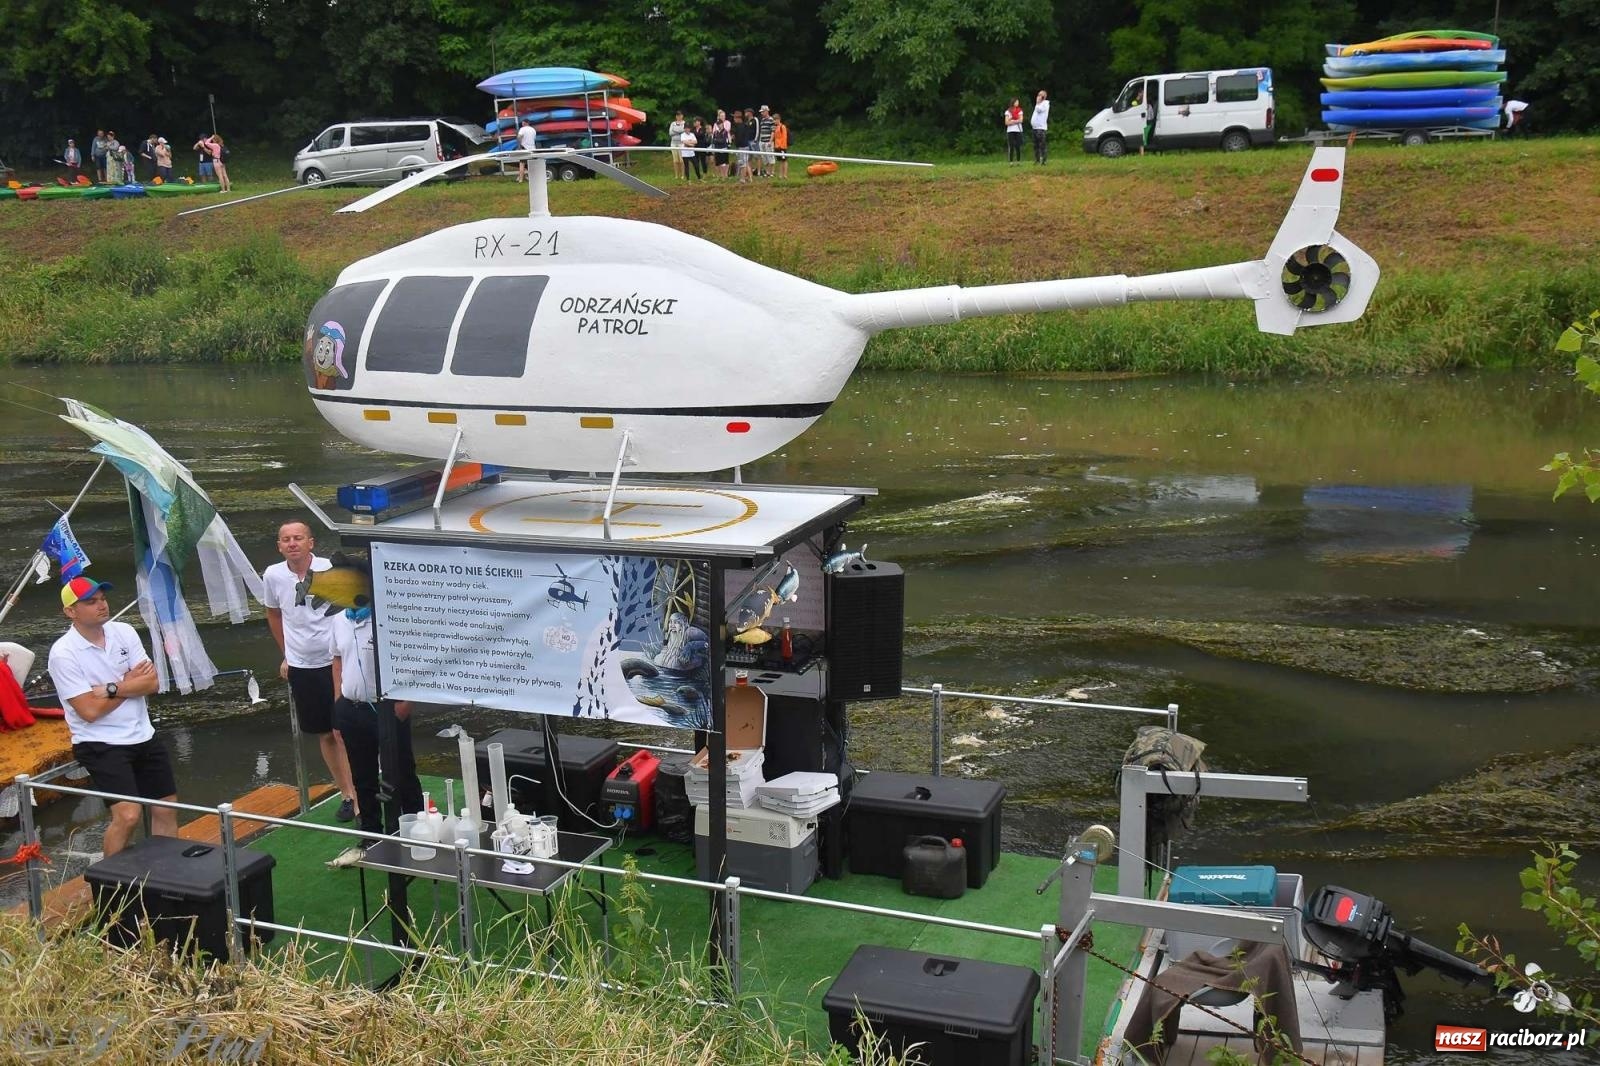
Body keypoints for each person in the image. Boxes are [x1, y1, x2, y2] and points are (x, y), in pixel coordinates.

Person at [47, 576, 175, 857]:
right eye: (90, 602)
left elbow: (152, 684)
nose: (101, 605)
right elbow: (89, 712)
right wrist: (130, 684)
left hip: (143, 734)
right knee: (128, 816)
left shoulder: (124, 632)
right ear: (71, 612)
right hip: (100, 742)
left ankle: (166, 880)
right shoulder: (63, 653)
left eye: (102, 599)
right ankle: (110, 892)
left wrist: (111, 688)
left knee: (166, 808)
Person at [262, 521, 358, 822]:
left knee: (345, 730)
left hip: (337, 661)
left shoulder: (331, 569)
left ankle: (362, 792)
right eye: (286, 539)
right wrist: (286, 655)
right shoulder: (273, 575)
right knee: (324, 734)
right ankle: (346, 793)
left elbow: (349, 610)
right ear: (280, 546)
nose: (292, 544)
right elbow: (273, 613)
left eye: (298, 538)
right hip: (303, 665)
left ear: (311, 543)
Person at [328, 570, 422, 857]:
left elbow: (413, 658)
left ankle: (415, 828)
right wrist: (338, 703)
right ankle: (370, 833)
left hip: (386, 709)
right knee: (363, 775)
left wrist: (405, 703)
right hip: (351, 708)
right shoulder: (338, 619)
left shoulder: (387, 618)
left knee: (401, 771)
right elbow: (337, 659)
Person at [1030, 90, 1050, 164]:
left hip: (1041, 128)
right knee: (1036, 145)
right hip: (1035, 128)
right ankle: (1037, 160)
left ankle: (1044, 160)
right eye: (1038, 95)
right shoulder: (1038, 104)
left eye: (1040, 95)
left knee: (1042, 145)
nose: (1038, 96)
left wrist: (1037, 103)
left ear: (1043, 97)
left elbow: (1039, 110)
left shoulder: (1045, 104)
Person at [756, 105, 775, 178]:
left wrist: (770, 141)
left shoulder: (771, 120)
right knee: (764, 157)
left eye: (763, 112)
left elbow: (773, 131)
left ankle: (772, 172)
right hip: (762, 141)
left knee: (770, 156)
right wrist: (760, 140)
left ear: (767, 111)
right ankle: (767, 172)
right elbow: (761, 131)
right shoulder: (762, 120)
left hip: (768, 141)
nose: (762, 113)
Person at [1004, 98, 1025, 164]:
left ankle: (1018, 161)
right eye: (1016, 102)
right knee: (1011, 145)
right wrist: (1015, 121)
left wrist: (1012, 121)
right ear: (1013, 102)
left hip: (1018, 130)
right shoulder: (1008, 111)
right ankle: (1011, 161)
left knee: (1018, 145)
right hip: (1010, 130)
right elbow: (1006, 122)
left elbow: (1021, 120)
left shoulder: (1020, 110)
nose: (1018, 103)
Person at [668, 111, 686, 180]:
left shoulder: (684, 123)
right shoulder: (673, 123)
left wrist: (675, 130)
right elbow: (670, 133)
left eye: (680, 115)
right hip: (673, 143)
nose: (679, 116)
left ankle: (682, 175)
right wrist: (679, 131)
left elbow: (683, 130)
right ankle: (676, 175)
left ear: (682, 116)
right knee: (675, 160)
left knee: (681, 160)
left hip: (681, 143)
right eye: (677, 115)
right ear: (676, 116)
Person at [772, 112, 789, 180]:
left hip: (782, 147)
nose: (774, 121)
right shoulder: (776, 127)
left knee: (784, 160)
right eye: (774, 120)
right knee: (780, 161)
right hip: (777, 146)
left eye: (775, 119)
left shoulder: (783, 126)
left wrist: (782, 146)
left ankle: (785, 175)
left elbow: (784, 137)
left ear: (779, 119)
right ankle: (780, 175)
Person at [1141, 89, 1156, 156]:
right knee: (1144, 137)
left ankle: (1143, 152)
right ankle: (1143, 152)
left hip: (1148, 121)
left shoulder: (1149, 105)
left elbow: (1151, 115)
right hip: (1145, 121)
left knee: (1145, 137)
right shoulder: (1139, 102)